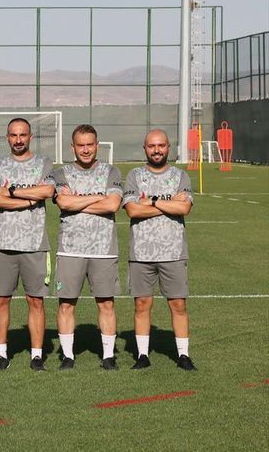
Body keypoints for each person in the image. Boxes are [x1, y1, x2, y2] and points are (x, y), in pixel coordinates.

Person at [0, 117, 55, 371]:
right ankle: (1, 354)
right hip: (4, 243)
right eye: (13, 135)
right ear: (7, 138)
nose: (18, 140)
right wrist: (28, 198)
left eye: (22, 135)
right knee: (1, 301)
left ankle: (36, 356)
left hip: (35, 244)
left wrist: (11, 192)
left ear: (30, 137)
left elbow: (47, 192)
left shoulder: (44, 163)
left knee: (36, 301)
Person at [123, 129, 197, 371]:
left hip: (173, 252)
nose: (157, 150)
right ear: (145, 148)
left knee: (178, 305)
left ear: (168, 147)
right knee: (142, 304)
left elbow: (184, 209)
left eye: (161, 145)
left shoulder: (180, 176)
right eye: (152, 146)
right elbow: (132, 210)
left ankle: (183, 355)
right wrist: (170, 203)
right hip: (141, 252)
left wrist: (152, 201)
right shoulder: (134, 176)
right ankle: (142, 355)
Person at [52, 124, 122, 371]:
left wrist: (77, 201)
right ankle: (68, 356)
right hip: (70, 248)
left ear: (97, 146)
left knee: (106, 304)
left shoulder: (111, 172)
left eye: (90, 144)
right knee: (66, 304)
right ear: (72, 147)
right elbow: (63, 203)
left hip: (104, 248)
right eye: (80, 145)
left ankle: (108, 356)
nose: (85, 150)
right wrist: (98, 197)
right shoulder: (61, 174)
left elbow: (113, 205)